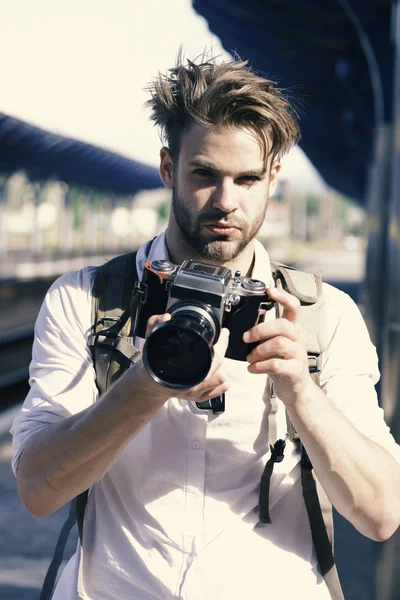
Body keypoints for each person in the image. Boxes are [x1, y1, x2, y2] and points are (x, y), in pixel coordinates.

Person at [11, 52, 400, 600]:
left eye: (247, 179)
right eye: (204, 175)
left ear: (274, 179)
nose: (226, 202)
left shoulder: (323, 316)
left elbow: (382, 514)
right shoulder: (87, 299)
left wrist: (302, 394)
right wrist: (144, 386)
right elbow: (37, 489)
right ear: (168, 168)